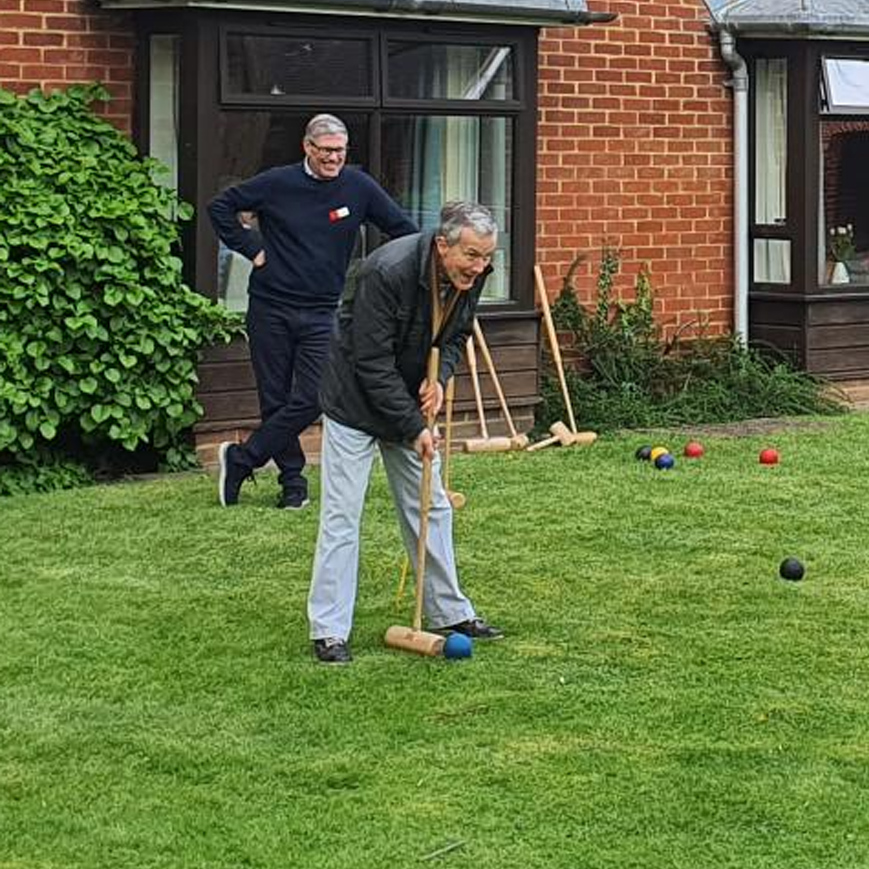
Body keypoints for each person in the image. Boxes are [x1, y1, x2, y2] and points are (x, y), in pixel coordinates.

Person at [307, 201, 504, 664]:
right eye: (471, 256)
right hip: (355, 403)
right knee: (342, 516)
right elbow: (370, 363)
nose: (479, 267)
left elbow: (455, 337)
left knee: (431, 505)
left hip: (409, 400)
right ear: (442, 245)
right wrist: (414, 426)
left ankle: (449, 611)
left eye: (486, 258)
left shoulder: (469, 277)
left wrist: (438, 380)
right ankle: (330, 630)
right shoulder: (386, 272)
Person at [208, 114, 418, 509]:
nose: (334, 159)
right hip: (270, 307)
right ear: (307, 147)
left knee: (313, 396)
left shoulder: (358, 187)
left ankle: (242, 458)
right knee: (274, 397)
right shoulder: (276, 183)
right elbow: (221, 207)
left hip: (323, 312)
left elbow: (403, 230)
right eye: (326, 151)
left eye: (340, 151)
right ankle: (292, 483)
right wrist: (252, 248)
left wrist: (384, 276)